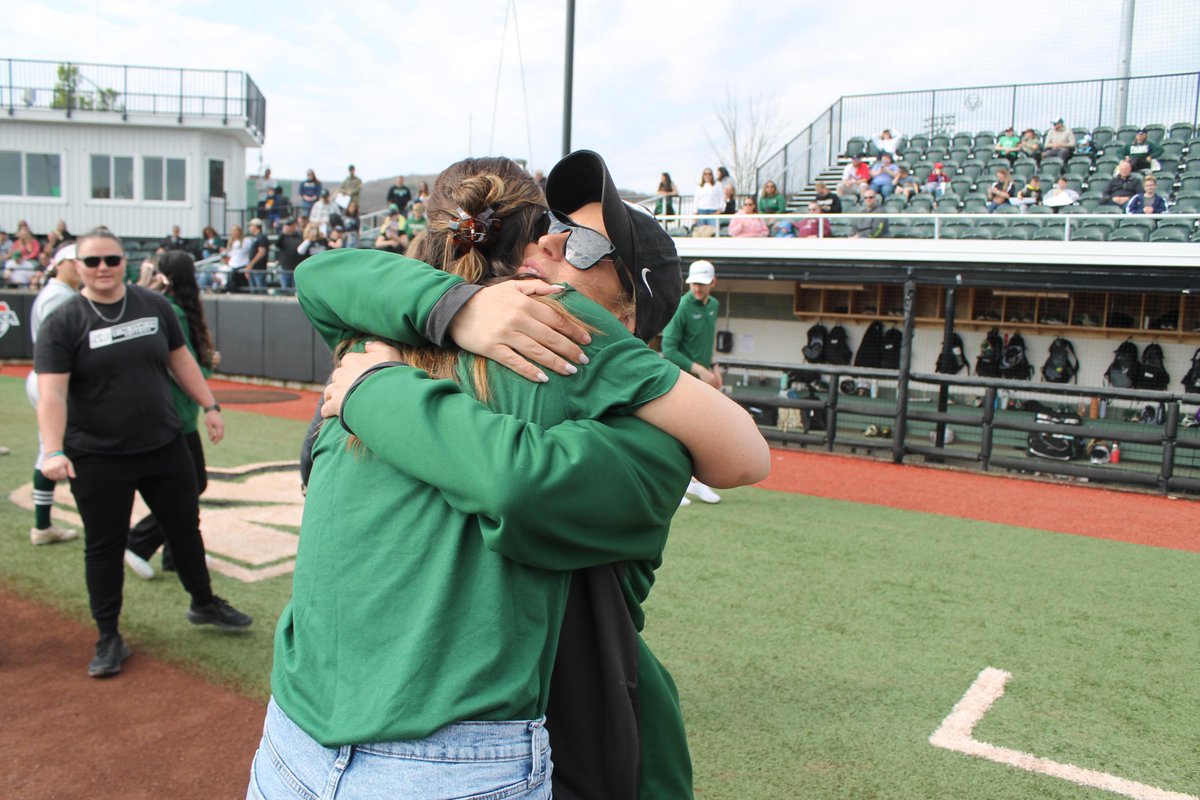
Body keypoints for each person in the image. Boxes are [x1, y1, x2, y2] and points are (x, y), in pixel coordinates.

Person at [249, 153, 768, 799]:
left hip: (430, 755)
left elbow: (522, 482)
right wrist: (458, 308)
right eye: (553, 223)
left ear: (631, 315)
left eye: (585, 244)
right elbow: (324, 274)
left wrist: (375, 390)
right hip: (300, 736)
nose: (550, 238)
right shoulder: (416, 326)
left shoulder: (650, 434)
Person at [35, 228, 252, 678]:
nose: (102, 269)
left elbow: (181, 361)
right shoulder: (64, 320)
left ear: (125, 263)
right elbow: (52, 394)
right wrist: (52, 450)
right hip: (96, 456)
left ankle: (204, 603)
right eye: (91, 261)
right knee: (104, 545)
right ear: (76, 266)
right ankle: (108, 635)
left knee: (184, 528)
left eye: (111, 259)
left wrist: (210, 405)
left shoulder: (154, 307)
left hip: (163, 444)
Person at [124, 251, 220, 580]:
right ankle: (139, 541)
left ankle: (175, 554)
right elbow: (183, 367)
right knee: (192, 484)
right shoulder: (173, 310)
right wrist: (207, 374)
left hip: (177, 412)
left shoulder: (166, 307)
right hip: (174, 414)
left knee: (190, 484)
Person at [25, 243, 82, 546]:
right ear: (62, 264)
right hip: (54, 380)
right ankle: (45, 526)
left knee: (50, 449)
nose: (82, 267)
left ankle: (43, 526)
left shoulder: (61, 293)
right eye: (77, 261)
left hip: (47, 378)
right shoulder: (59, 296)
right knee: (61, 449)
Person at [661, 259, 727, 507]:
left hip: (701, 381)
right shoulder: (682, 307)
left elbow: (707, 342)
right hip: (680, 380)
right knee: (679, 437)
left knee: (698, 437)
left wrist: (715, 368)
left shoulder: (714, 305)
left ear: (712, 282)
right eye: (693, 283)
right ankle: (675, 487)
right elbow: (669, 349)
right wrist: (701, 371)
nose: (696, 289)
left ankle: (693, 484)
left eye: (701, 283)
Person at [274, 217, 305, 290]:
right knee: (285, 289)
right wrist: (283, 233)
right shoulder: (283, 237)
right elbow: (277, 244)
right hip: (285, 267)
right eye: (289, 225)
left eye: (292, 225)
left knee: (296, 290)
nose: (290, 227)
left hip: (296, 267)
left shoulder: (300, 236)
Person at [244, 218, 271, 292]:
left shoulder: (262, 237)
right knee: (254, 291)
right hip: (254, 269)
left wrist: (250, 264)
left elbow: (261, 252)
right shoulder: (254, 238)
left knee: (260, 290)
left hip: (259, 269)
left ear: (256, 226)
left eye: (250, 226)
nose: (249, 228)